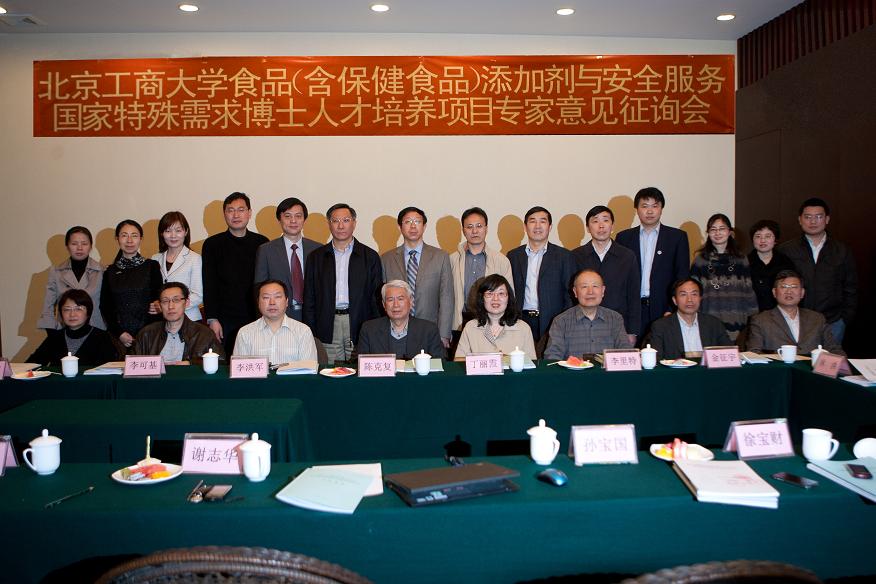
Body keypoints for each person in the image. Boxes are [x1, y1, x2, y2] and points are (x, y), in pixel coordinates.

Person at [303, 203, 382, 362]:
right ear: (329, 224)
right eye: (335, 221)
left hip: (360, 321)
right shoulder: (316, 257)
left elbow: (376, 298)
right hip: (327, 322)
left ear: (354, 223)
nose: (340, 226)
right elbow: (310, 297)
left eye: (346, 220)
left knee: (360, 368)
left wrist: (375, 328)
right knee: (330, 369)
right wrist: (310, 329)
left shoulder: (370, 256)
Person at [778, 198, 857, 344]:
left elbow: (850, 287)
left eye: (818, 217)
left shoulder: (842, 250)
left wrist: (845, 318)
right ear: (800, 220)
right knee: (798, 358)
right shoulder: (786, 250)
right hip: (795, 320)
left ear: (827, 219)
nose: (813, 221)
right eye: (808, 217)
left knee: (829, 359)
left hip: (833, 321)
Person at [616, 187, 690, 336]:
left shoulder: (677, 237)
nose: (649, 211)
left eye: (655, 206)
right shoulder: (624, 238)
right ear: (637, 210)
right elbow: (620, 278)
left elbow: (681, 276)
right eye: (644, 206)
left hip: (664, 309)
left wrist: (672, 308)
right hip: (633, 310)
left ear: (661, 209)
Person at [202, 192, 269, 356]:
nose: (236, 215)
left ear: (249, 213)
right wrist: (212, 318)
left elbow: (266, 283)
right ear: (224, 214)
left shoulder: (262, 243)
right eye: (230, 210)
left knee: (257, 361)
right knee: (228, 362)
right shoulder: (212, 245)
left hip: (256, 316)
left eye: (241, 210)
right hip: (224, 319)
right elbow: (209, 283)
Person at [381, 206, 453, 349]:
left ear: (424, 226)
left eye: (417, 222)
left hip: (431, 330)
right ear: (400, 227)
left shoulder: (441, 257)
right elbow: (385, 298)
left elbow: (447, 297)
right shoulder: (387, 258)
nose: (413, 226)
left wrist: (444, 334)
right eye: (408, 222)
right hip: (396, 331)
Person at [506, 206, 576, 343]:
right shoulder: (513, 256)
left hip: (553, 320)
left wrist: (564, 321)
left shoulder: (564, 256)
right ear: (525, 227)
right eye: (532, 221)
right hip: (520, 320)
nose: (537, 226)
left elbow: (570, 294)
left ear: (550, 227)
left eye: (542, 221)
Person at [572, 205, 641, 344]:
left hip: (619, 326)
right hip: (584, 325)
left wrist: (632, 331)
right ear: (588, 228)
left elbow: (633, 296)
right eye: (595, 221)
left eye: (605, 220)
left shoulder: (627, 256)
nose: (601, 226)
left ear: (612, 226)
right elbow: (571, 295)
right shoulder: (576, 256)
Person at [689, 213, 758, 341]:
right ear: (708, 233)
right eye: (713, 229)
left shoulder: (741, 259)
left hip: (737, 319)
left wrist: (754, 317)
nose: (717, 233)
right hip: (709, 319)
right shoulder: (700, 260)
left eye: (722, 229)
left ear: (730, 232)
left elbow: (748, 291)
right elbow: (694, 292)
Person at [746, 270, 844, 355]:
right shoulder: (760, 320)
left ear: (802, 293)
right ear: (774, 292)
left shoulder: (817, 319)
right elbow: (753, 353)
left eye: (794, 287)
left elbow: (834, 350)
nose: (789, 291)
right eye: (784, 287)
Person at [254, 197, 320, 321]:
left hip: (313, 315)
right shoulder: (266, 250)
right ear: (279, 219)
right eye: (287, 216)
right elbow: (259, 289)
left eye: (298, 216)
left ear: (304, 220)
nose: (293, 220)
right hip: (278, 317)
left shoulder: (317, 249)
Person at [544, 269, 632, 360]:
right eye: (584, 286)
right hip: (572, 369)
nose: (590, 292)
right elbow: (552, 358)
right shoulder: (561, 321)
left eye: (595, 286)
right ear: (575, 292)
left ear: (603, 291)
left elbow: (626, 353)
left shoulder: (615, 319)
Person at [100, 219, 162, 351]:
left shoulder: (152, 266)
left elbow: (158, 299)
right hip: (120, 339)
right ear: (117, 239)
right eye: (124, 235)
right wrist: (119, 333)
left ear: (141, 239)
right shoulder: (109, 272)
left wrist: (158, 305)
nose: (129, 240)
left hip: (150, 335)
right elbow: (106, 307)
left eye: (134, 235)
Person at [449, 207, 513, 332]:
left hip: (492, 322)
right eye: (469, 227)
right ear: (463, 230)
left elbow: (509, 297)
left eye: (479, 226)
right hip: (459, 322)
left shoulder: (501, 261)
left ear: (486, 228)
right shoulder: (452, 260)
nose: (474, 231)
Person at [133, 282, 224, 364]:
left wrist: (191, 364)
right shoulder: (146, 334)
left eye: (176, 300)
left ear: (187, 303)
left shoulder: (205, 334)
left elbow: (221, 363)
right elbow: (132, 365)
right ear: (160, 306)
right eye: (165, 301)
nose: (170, 306)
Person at [38, 226, 106, 330]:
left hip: (96, 330)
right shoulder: (56, 272)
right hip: (65, 330)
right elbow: (48, 307)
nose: (79, 248)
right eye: (74, 244)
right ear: (67, 246)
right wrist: (51, 331)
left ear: (91, 246)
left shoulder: (103, 271)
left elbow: (108, 306)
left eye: (84, 244)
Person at [234, 280, 318, 364]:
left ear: (286, 302)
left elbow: (309, 369)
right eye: (266, 297)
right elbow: (239, 369)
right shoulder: (245, 333)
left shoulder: (303, 331)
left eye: (277, 297)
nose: (272, 303)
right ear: (258, 303)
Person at [454, 274, 536, 361]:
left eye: (501, 293)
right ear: (482, 298)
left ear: (508, 298)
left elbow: (532, 363)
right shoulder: (470, 327)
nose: (495, 299)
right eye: (490, 293)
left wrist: (508, 360)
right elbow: (458, 361)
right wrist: (490, 359)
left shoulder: (523, 329)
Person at [645, 278, 732, 360]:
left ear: (700, 298)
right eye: (683, 294)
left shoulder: (714, 324)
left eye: (694, 294)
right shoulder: (660, 326)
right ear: (675, 300)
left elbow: (730, 354)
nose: (689, 299)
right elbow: (656, 360)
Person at [28, 289, 119, 366]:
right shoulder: (54, 338)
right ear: (61, 313)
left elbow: (108, 371)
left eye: (78, 309)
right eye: (67, 309)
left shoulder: (102, 337)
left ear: (88, 312)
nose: (72, 314)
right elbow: (32, 364)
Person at [357, 280, 445, 359]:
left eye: (400, 299)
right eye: (390, 300)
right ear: (384, 305)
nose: (396, 305)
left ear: (411, 302)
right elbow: (361, 364)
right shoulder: (369, 329)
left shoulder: (429, 330)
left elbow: (439, 363)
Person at [151, 211, 203, 321]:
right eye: (168, 231)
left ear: (186, 232)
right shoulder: (155, 258)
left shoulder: (195, 259)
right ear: (161, 233)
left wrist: (171, 307)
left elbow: (198, 295)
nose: (173, 235)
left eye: (178, 230)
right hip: (162, 321)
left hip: (189, 319)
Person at [748, 219, 796, 312]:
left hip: (780, 313)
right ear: (752, 240)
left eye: (768, 236)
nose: (762, 240)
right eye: (758, 236)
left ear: (775, 240)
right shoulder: (744, 263)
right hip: (752, 313)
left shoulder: (785, 262)